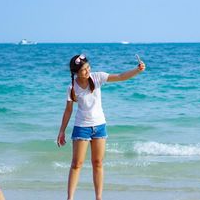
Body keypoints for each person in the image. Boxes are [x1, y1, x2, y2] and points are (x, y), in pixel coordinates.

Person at [57, 54, 146, 200]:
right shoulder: (72, 87)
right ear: (75, 72)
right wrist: (61, 131)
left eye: (88, 68)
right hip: (81, 127)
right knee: (76, 164)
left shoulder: (97, 77)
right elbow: (68, 111)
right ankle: (70, 198)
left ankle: (99, 198)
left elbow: (120, 76)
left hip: (99, 126)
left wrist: (137, 70)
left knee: (97, 163)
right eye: (84, 70)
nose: (87, 71)